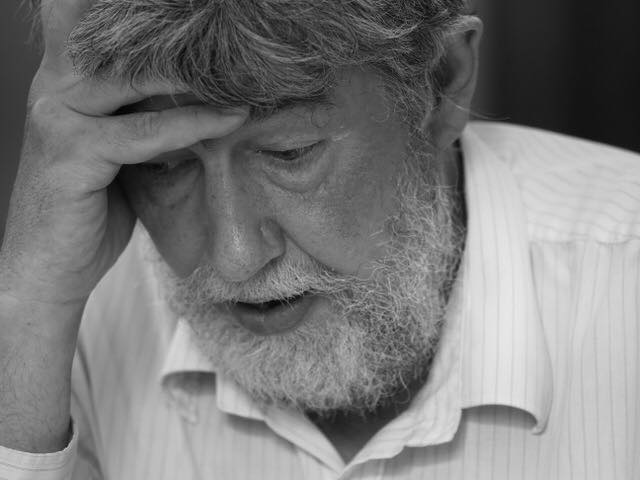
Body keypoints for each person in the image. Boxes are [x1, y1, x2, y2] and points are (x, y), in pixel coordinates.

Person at [0, 0, 638, 478]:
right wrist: (30, 303)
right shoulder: (73, 308)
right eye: (165, 167)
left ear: (441, 83)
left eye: (289, 152)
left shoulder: (622, 284)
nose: (235, 256)